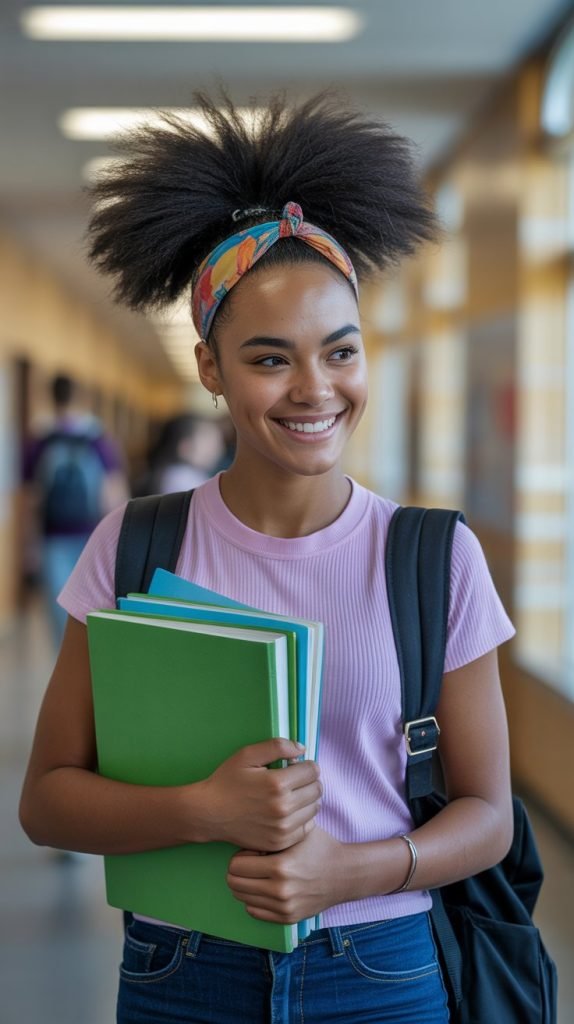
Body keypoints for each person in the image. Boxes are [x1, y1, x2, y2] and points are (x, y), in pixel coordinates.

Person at [19, 93, 515, 1024]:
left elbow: (489, 816)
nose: (315, 389)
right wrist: (204, 810)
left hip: (382, 972)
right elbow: (47, 802)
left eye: (340, 351)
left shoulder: (433, 556)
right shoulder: (137, 542)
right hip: (181, 968)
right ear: (210, 368)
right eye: (270, 359)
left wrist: (350, 871)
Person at [22, 373, 129, 649]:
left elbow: (31, 499)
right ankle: (91, 659)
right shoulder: (98, 440)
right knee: (94, 606)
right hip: (92, 535)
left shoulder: (40, 441)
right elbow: (114, 493)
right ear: (81, 398)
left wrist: (29, 546)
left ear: (50, 397)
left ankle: (65, 659)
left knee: (59, 608)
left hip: (52, 537)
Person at [133, 411, 226, 496]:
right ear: (185, 447)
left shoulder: (168, 474)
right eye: (209, 441)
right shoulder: (182, 479)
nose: (218, 448)